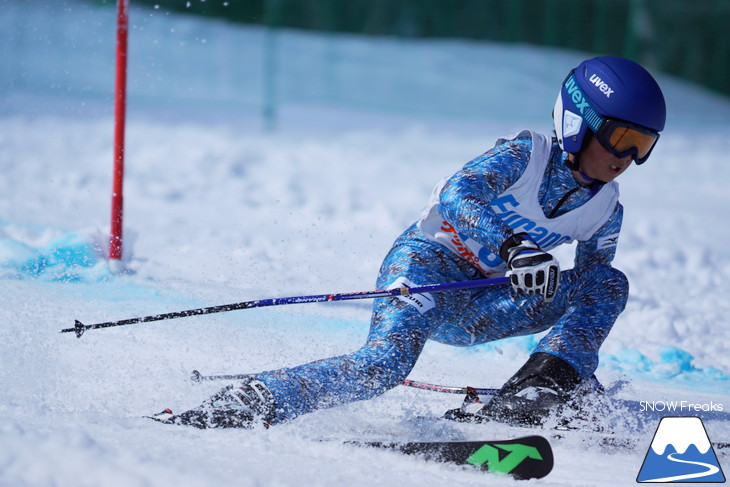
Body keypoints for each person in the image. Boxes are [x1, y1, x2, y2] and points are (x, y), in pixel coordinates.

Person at [153, 56, 666, 429]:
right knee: (383, 367)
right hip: (428, 268)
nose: (628, 158)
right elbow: (458, 193)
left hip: (486, 306)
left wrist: (572, 353)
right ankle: (248, 401)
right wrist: (514, 247)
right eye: (621, 137)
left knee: (608, 283)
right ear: (579, 124)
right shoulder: (524, 156)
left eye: (643, 146)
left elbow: (595, 289)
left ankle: (544, 387)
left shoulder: (606, 208)